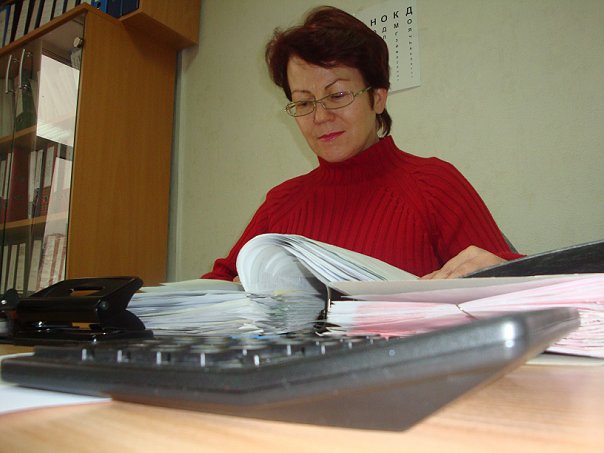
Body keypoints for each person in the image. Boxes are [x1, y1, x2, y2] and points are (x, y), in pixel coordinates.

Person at [202, 6, 521, 282]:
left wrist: (502, 273)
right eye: (304, 103)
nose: (320, 117)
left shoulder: (435, 185)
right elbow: (214, 286)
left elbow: (520, 284)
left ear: (378, 97)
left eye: (337, 95)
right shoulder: (280, 204)